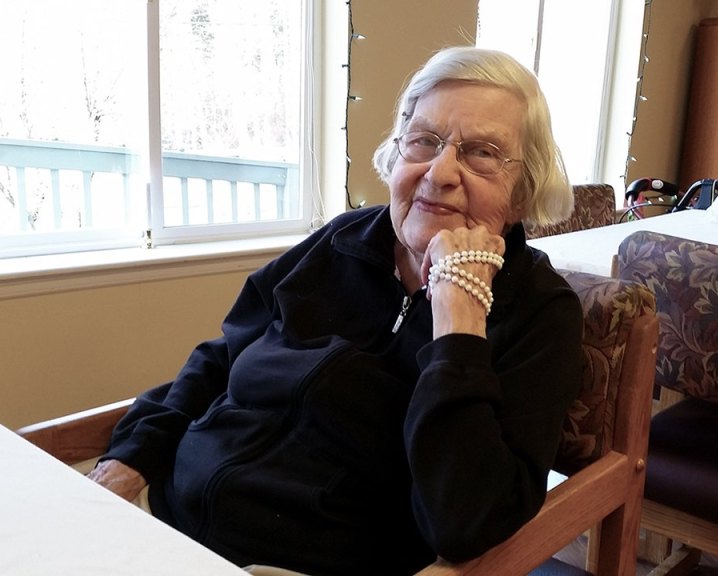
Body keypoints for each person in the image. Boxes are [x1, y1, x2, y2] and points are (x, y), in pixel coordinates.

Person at [88, 46, 583, 576]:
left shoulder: (539, 310)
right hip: (160, 512)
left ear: (523, 192)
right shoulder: (343, 240)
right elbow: (223, 356)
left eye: (482, 152)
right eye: (424, 140)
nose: (439, 172)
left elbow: (465, 521)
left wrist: (458, 319)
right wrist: (134, 455)